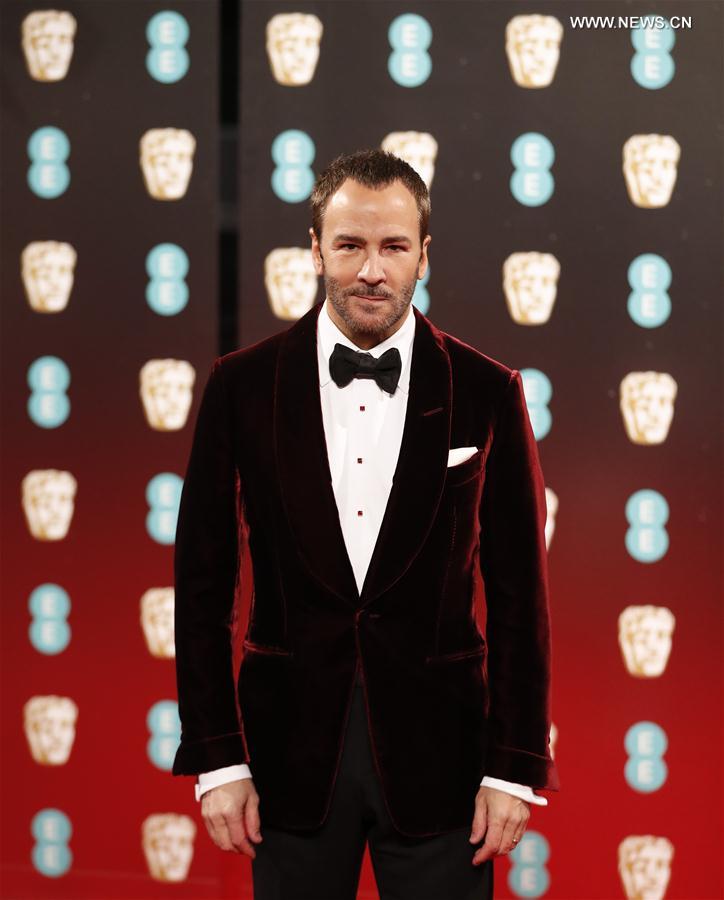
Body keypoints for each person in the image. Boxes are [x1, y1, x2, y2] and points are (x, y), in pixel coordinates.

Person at [172, 149, 559, 899]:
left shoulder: (487, 391)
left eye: (393, 246)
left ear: (423, 255)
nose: (372, 270)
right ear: (315, 249)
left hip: (445, 770)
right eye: (350, 245)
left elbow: (521, 600)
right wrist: (219, 759)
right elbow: (201, 583)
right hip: (286, 763)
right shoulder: (241, 387)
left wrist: (513, 766)